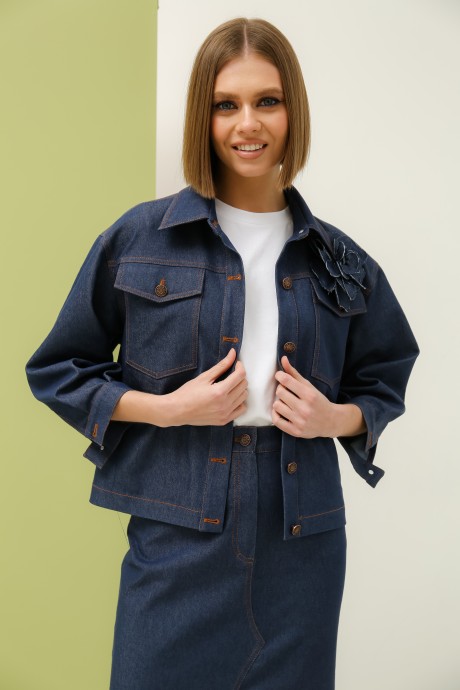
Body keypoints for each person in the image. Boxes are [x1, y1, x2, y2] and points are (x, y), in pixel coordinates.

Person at [26, 17, 419, 690]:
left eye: (268, 101)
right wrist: (167, 409)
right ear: (202, 118)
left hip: (303, 543)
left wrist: (335, 419)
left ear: (293, 111)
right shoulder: (140, 237)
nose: (249, 124)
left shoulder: (340, 259)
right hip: (178, 534)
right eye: (226, 104)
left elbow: (385, 375)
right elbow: (58, 368)